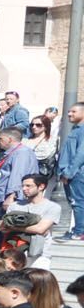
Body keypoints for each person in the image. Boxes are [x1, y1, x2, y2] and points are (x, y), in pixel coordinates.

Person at [58, 102, 84, 238]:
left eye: (73, 111)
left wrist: (69, 172)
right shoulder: (76, 129)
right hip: (72, 173)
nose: (69, 114)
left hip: (77, 174)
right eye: (69, 111)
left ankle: (80, 231)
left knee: (77, 201)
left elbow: (81, 153)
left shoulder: (82, 129)